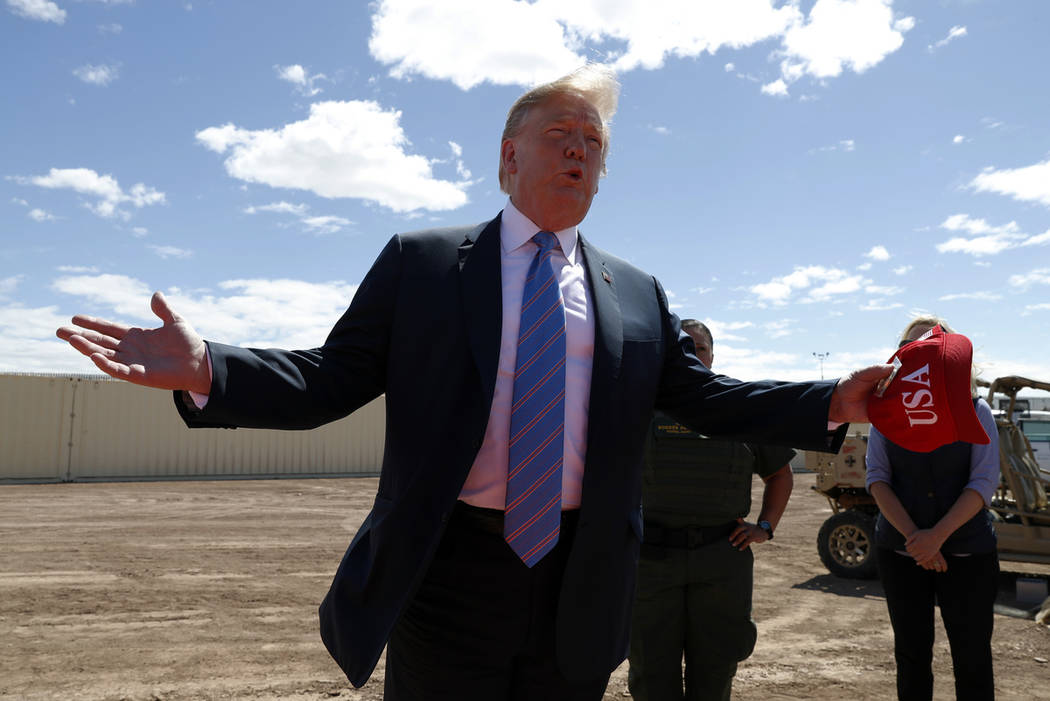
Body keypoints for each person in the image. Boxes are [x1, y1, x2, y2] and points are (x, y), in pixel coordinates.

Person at [57, 64, 890, 700]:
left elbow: (705, 396)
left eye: (595, 143)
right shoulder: (422, 265)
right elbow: (330, 378)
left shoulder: (636, 292)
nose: (579, 149)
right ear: (508, 154)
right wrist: (212, 368)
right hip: (448, 569)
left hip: (582, 575)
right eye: (563, 131)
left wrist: (828, 401)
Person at [628, 320, 795, 701]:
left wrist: (765, 526)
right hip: (651, 561)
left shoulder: (739, 404)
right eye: (683, 346)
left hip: (722, 560)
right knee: (651, 673)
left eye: (699, 347)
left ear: (712, 355)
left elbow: (780, 475)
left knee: (715, 672)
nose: (692, 353)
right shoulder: (637, 406)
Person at [865, 315, 1000, 701]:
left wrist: (934, 539)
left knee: (972, 657)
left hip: (968, 553)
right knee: (911, 655)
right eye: (911, 345)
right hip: (900, 551)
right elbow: (877, 479)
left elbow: (982, 484)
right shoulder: (884, 417)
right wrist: (916, 539)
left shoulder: (978, 411)